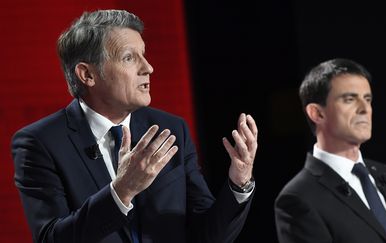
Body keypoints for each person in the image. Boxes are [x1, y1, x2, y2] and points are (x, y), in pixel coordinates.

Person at [11, 9, 258, 243]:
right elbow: (52, 238)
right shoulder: (40, 143)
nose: (148, 67)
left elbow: (207, 235)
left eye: (144, 54)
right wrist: (121, 191)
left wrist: (239, 184)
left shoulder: (171, 130)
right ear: (87, 75)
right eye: (129, 58)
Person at [274, 58, 386, 243]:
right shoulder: (298, 198)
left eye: (367, 99)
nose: (365, 109)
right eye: (350, 99)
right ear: (317, 113)